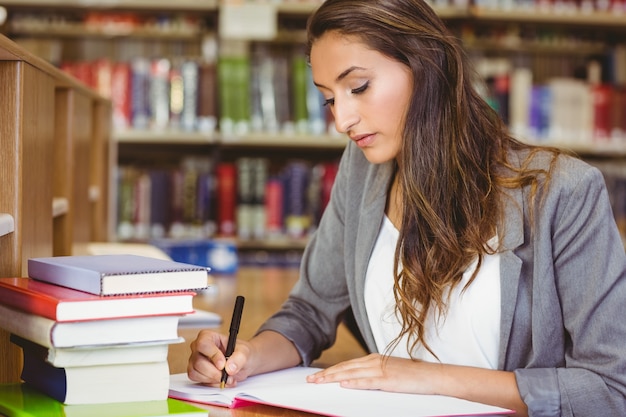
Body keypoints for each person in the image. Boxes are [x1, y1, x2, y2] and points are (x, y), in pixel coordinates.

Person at [187, 0, 626, 415]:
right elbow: (309, 312)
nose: (342, 120)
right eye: (329, 98)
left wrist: (427, 378)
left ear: (425, 64)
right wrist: (247, 356)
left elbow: (610, 391)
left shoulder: (563, 192)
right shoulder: (361, 173)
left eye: (358, 87)